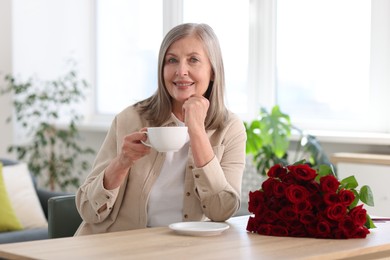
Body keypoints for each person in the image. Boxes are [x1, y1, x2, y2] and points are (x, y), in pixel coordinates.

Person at [75, 23, 247, 236]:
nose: (180, 71)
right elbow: (88, 210)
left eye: (193, 60)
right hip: (115, 246)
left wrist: (197, 131)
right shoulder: (130, 118)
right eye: (172, 60)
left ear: (213, 71)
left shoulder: (230, 128)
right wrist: (121, 162)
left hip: (184, 248)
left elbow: (222, 211)